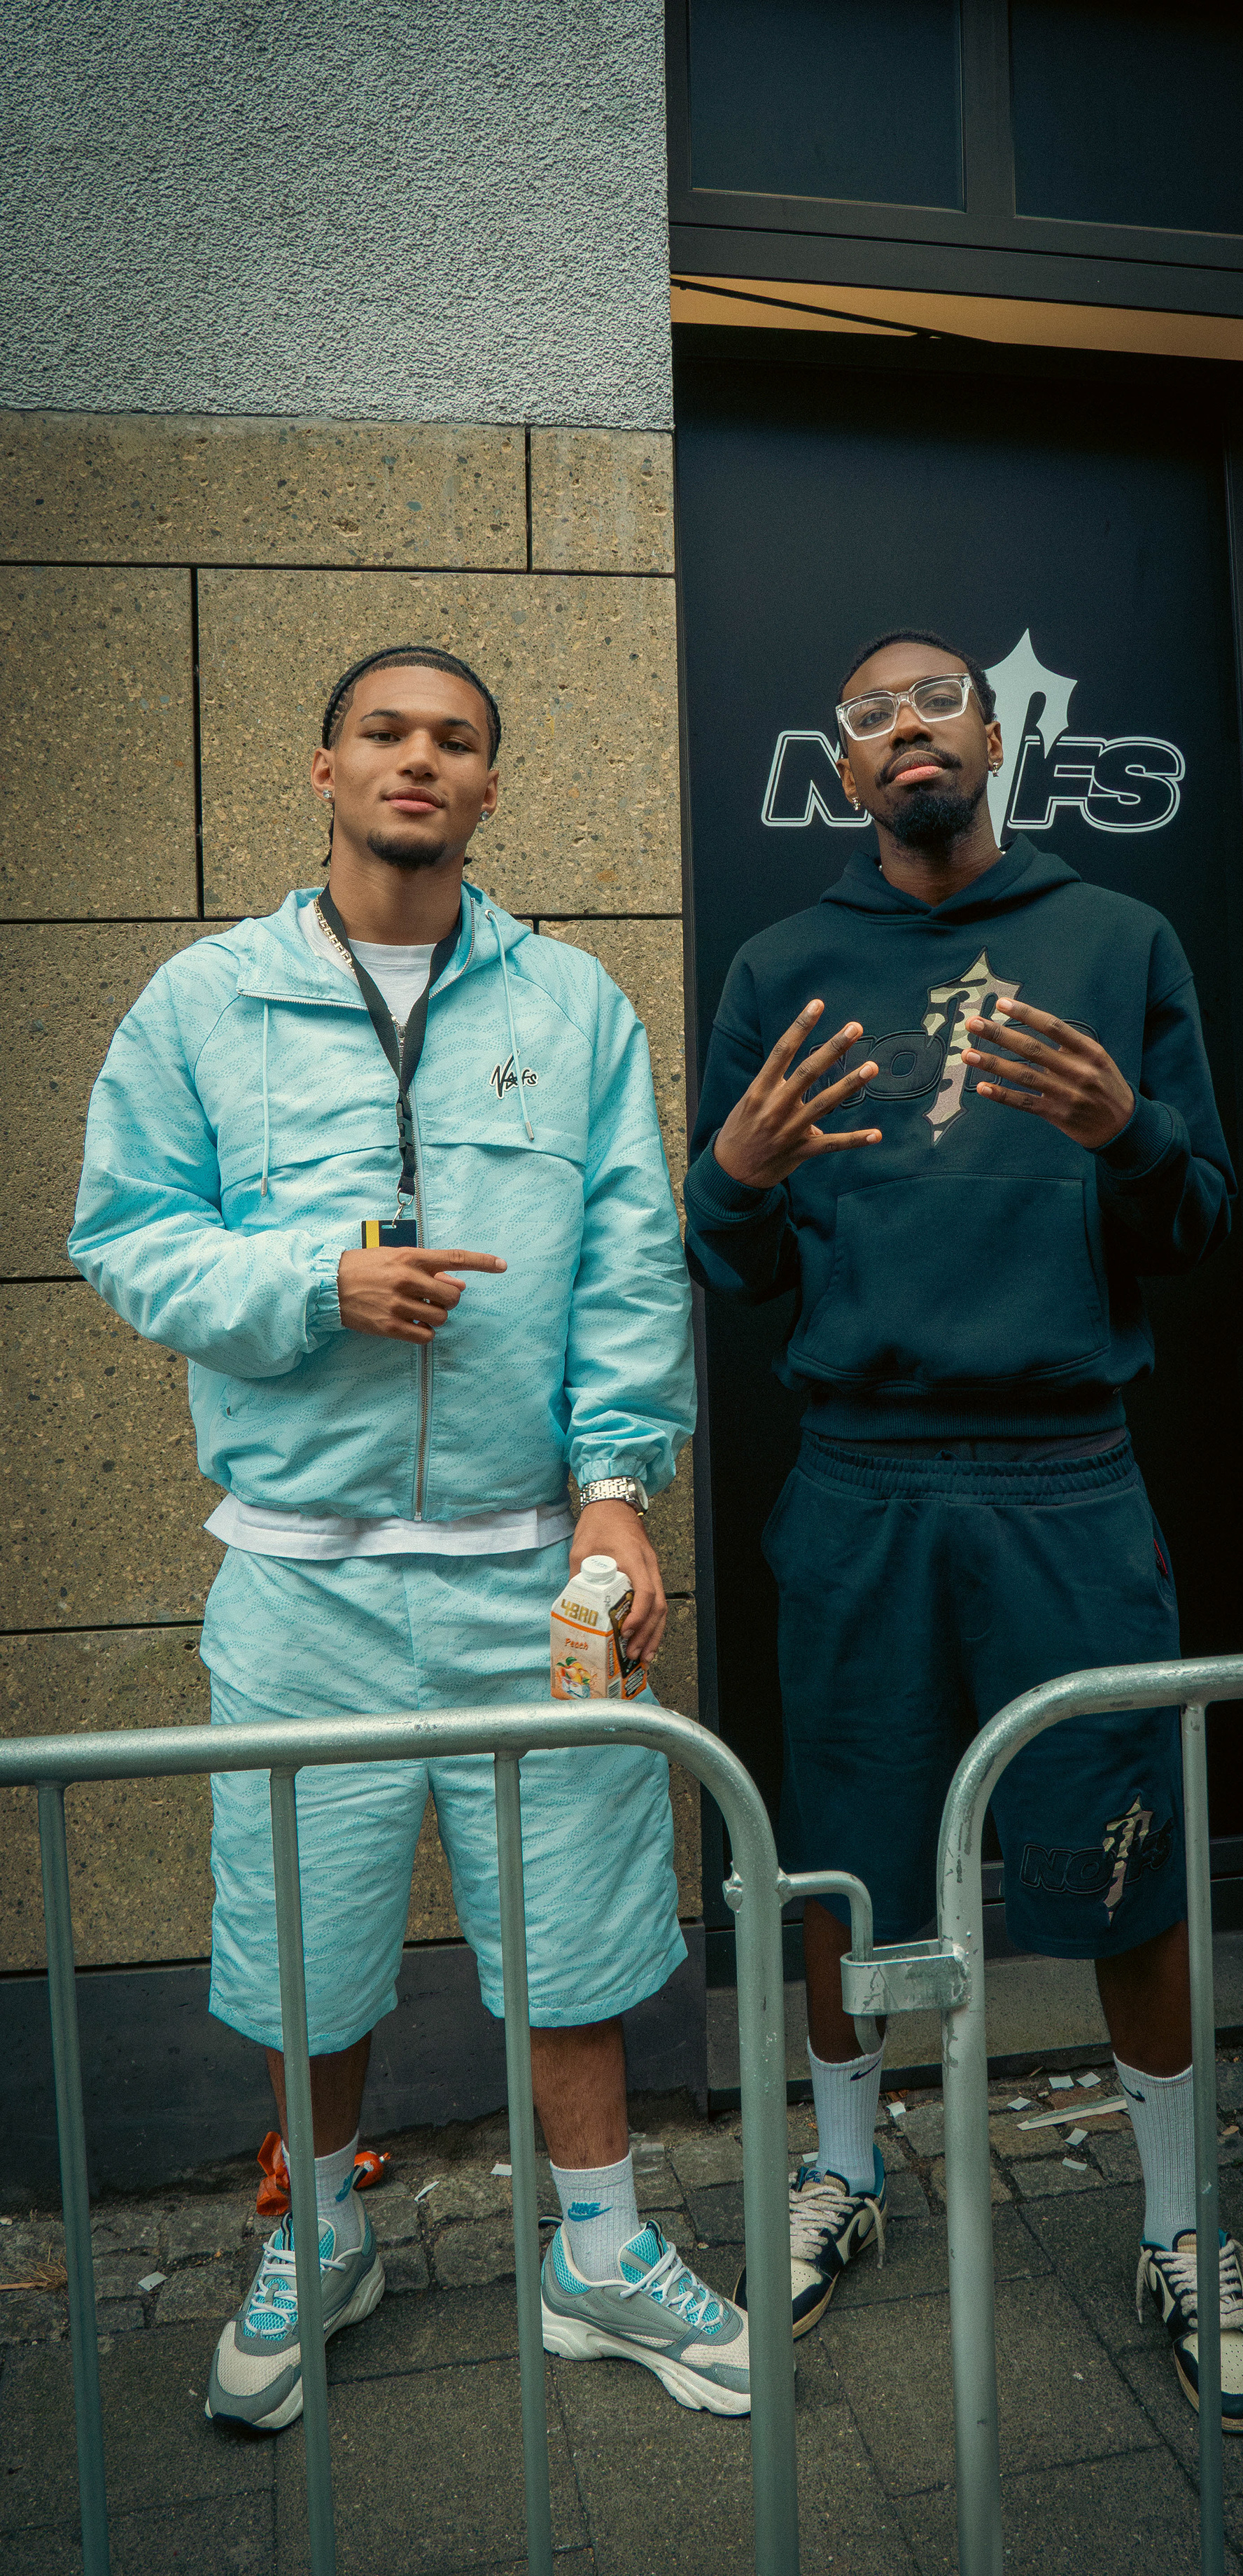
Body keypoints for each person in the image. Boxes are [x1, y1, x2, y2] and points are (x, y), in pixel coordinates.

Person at [70, 643, 752, 2427]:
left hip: (535, 1564)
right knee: (308, 1945)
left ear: (490, 788)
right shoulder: (205, 1003)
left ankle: (600, 2252)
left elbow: (626, 1263)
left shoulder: (573, 1006)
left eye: (455, 739)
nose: (418, 759)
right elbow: (125, 1236)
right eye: (385, 731)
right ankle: (321, 2235)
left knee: (577, 1930)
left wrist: (617, 1489)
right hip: (303, 1577)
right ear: (325, 768)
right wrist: (319, 1279)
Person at [684, 626, 1243, 2431]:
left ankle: (1179, 2218)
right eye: (869, 718)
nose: (906, 732)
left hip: (1063, 1476)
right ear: (843, 772)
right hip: (861, 1475)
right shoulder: (784, 969)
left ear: (995, 733)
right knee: (843, 1858)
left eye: (935, 699)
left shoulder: (1120, 941)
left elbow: (1200, 1223)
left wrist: (1129, 1130)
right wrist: (735, 1179)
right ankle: (845, 2172)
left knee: (1126, 1855)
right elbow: (730, 1263)